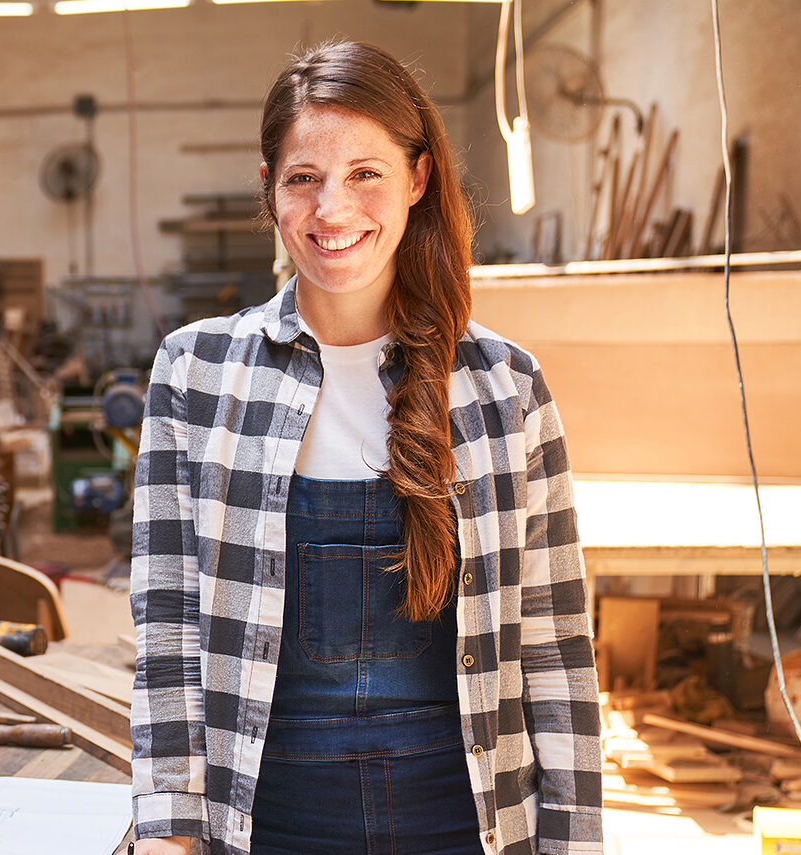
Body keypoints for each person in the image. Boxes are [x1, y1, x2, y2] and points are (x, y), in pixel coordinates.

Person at [128, 41, 602, 855]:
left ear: (418, 180)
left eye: (365, 175)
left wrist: (574, 842)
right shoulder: (196, 374)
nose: (332, 210)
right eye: (303, 178)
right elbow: (166, 630)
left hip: (464, 817)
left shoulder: (503, 385)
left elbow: (556, 647)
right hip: (268, 813)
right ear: (271, 191)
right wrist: (168, 827)